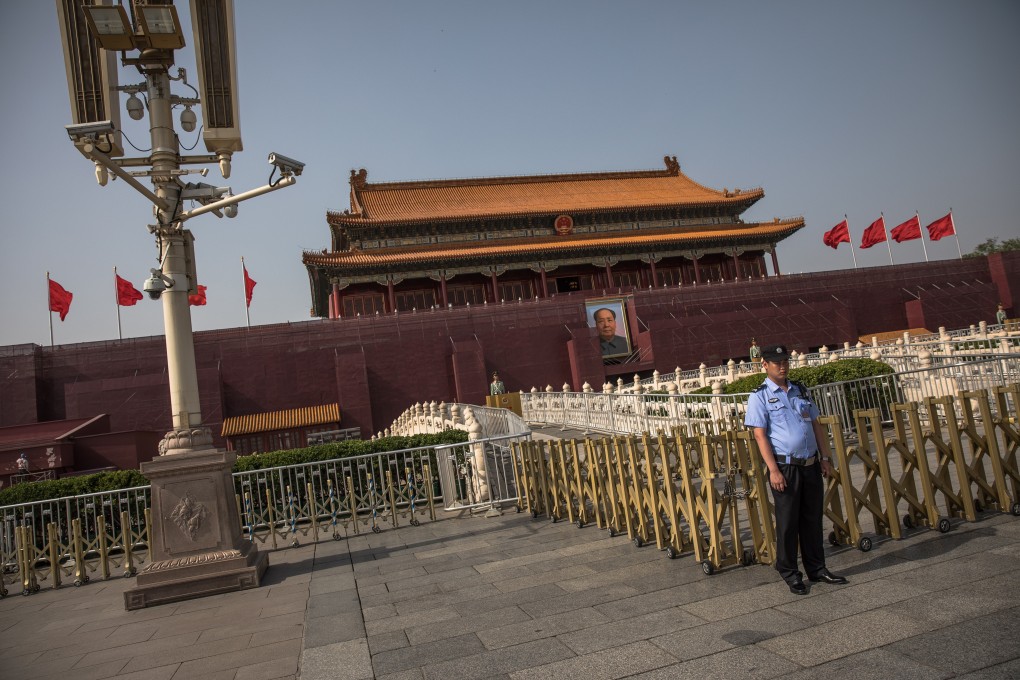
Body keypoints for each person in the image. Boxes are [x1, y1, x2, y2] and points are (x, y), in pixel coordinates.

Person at [744, 344, 848, 595]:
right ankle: (790, 572)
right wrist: (773, 470)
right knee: (788, 522)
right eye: (777, 362)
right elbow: (760, 436)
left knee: (812, 519)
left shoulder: (800, 390)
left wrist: (824, 457)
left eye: (785, 361)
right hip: (786, 467)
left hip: (810, 464)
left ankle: (817, 568)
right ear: (764, 365)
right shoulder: (759, 396)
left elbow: (815, 425)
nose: (783, 366)